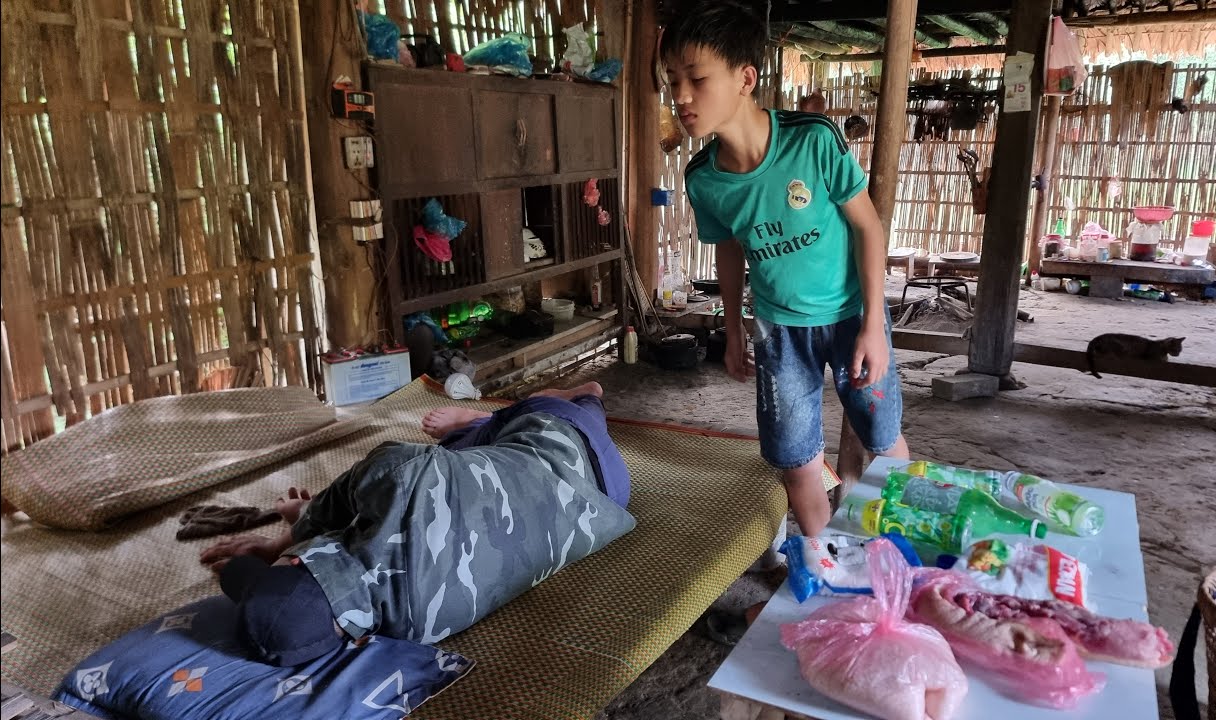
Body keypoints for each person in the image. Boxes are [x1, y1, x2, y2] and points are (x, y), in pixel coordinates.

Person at [661, 1, 909, 538]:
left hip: (850, 316)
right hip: (778, 330)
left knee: (883, 440)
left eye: (696, 78)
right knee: (796, 460)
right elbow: (728, 250)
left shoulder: (812, 141)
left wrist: (872, 324)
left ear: (745, 78)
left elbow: (868, 228)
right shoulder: (704, 179)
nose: (680, 96)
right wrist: (732, 327)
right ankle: (823, 565)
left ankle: (902, 551)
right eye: (672, 80)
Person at [200, 382, 633, 665]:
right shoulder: (395, 477)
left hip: (608, 501)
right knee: (543, 411)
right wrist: (286, 538)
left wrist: (299, 536)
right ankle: (571, 397)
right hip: (559, 438)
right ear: (299, 562)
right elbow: (362, 496)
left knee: (460, 463)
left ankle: (480, 425)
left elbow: (368, 566)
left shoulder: (414, 629)